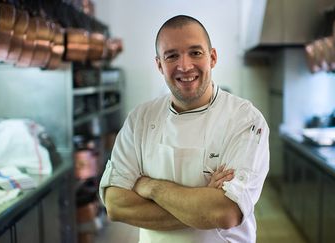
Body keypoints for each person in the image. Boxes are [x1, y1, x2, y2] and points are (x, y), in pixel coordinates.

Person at [99, 15, 270, 243]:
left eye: (195, 53)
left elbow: (225, 212)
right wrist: (203, 205)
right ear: (160, 65)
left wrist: (150, 187)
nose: (185, 66)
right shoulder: (139, 120)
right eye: (171, 56)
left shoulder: (245, 120)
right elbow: (115, 204)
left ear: (213, 57)